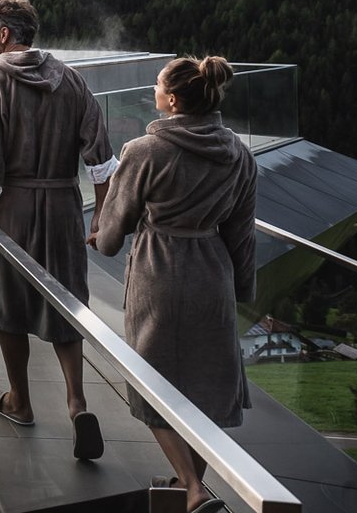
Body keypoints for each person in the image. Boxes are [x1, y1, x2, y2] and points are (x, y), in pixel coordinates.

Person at [90, 56, 257, 513]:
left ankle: (193, 488)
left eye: (157, 86)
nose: (153, 93)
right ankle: (191, 487)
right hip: (213, 274)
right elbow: (242, 233)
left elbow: (113, 228)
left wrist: (101, 240)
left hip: (157, 272)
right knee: (208, 385)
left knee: (151, 381)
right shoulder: (240, 155)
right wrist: (242, 290)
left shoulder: (144, 151)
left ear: (173, 100)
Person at [0, 0, 116, 461]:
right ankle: (77, 403)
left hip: (11, 208)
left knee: (6, 303)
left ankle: (21, 401)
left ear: (6, 34)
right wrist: (102, 215)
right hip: (62, 207)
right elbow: (101, 157)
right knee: (64, 301)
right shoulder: (71, 80)